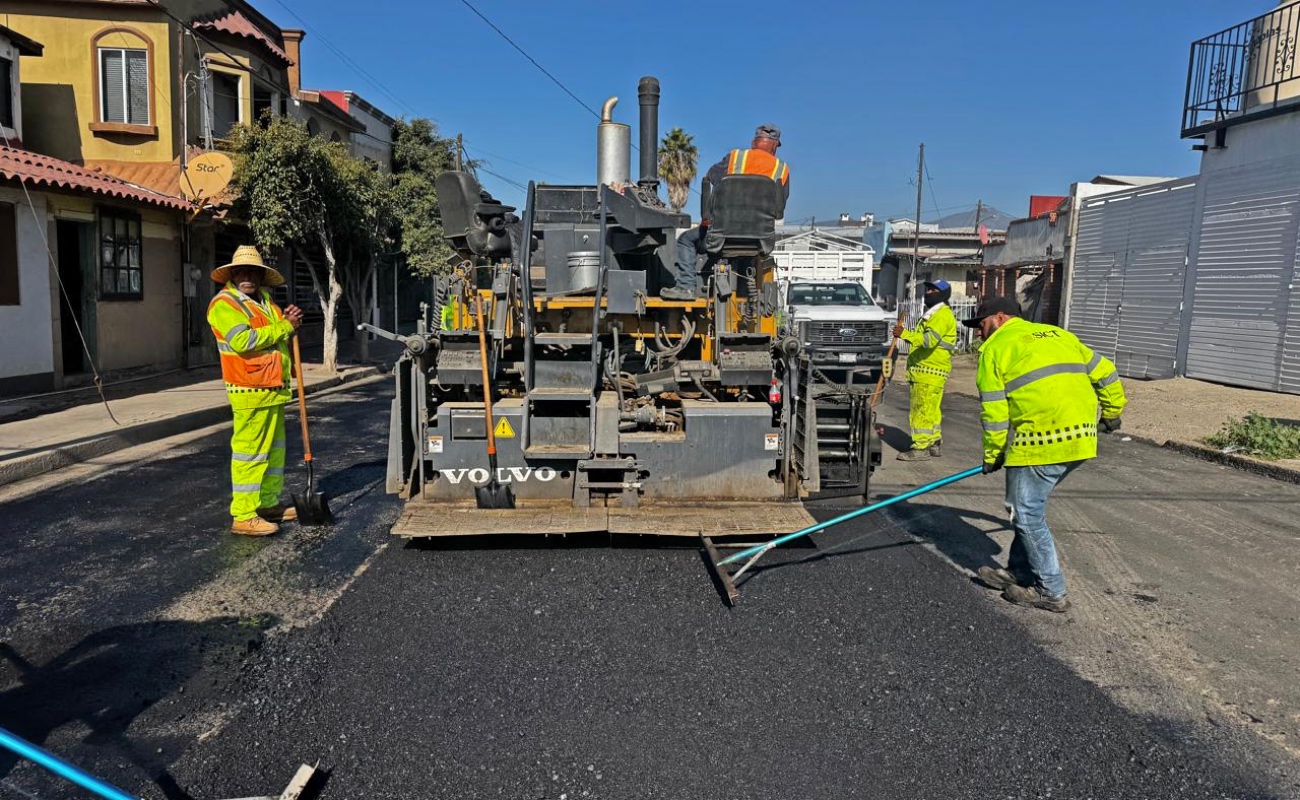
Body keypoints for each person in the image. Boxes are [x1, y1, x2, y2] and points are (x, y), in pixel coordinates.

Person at [963, 296, 1127, 612]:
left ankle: (1050, 591)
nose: (979, 334)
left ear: (999, 317)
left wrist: (994, 453)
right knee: (1025, 508)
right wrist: (1112, 410)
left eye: (981, 326)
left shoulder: (995, 350)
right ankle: (1019, 571)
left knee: (1026, 513)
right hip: (1081, 438)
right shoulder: (1060, 336)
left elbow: (995, 414)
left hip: (1040, 442)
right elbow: (1105, 371)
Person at [206, 245, 304, 536]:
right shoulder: (224, 304)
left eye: (253, 271)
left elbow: (279, 336)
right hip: (248, 388)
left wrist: (289, 322)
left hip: (272, 387)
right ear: (232, 274)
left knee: (274, 453)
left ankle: (267, 504)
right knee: (250, 454)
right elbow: (244, 341)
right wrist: (286, 326)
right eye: (241, 271)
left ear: (262, 276)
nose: (247, 275)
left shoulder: (265, 301)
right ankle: (244, 514)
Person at [662, 123, 791, 300]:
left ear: (754, 142)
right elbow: (779, 210)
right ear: (775, 146)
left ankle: (686, 287)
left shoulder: (736, 158)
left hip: (721, 236)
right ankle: (745, 297)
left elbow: (710, 178)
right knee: (747, 253)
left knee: (686, 240)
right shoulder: (782, 169)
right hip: (759, 240)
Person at [892, 280, 957, 460]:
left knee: (921, 410)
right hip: (931, 371)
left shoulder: (941, 315)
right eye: (928, 289)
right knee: (931, 410)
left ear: (943, 294)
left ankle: (920, 448)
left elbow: (928, 342)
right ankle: (934, 442)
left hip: (928, 371)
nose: (928, 292)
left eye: (933, 290)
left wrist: (903, 334)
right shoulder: (935, 314)